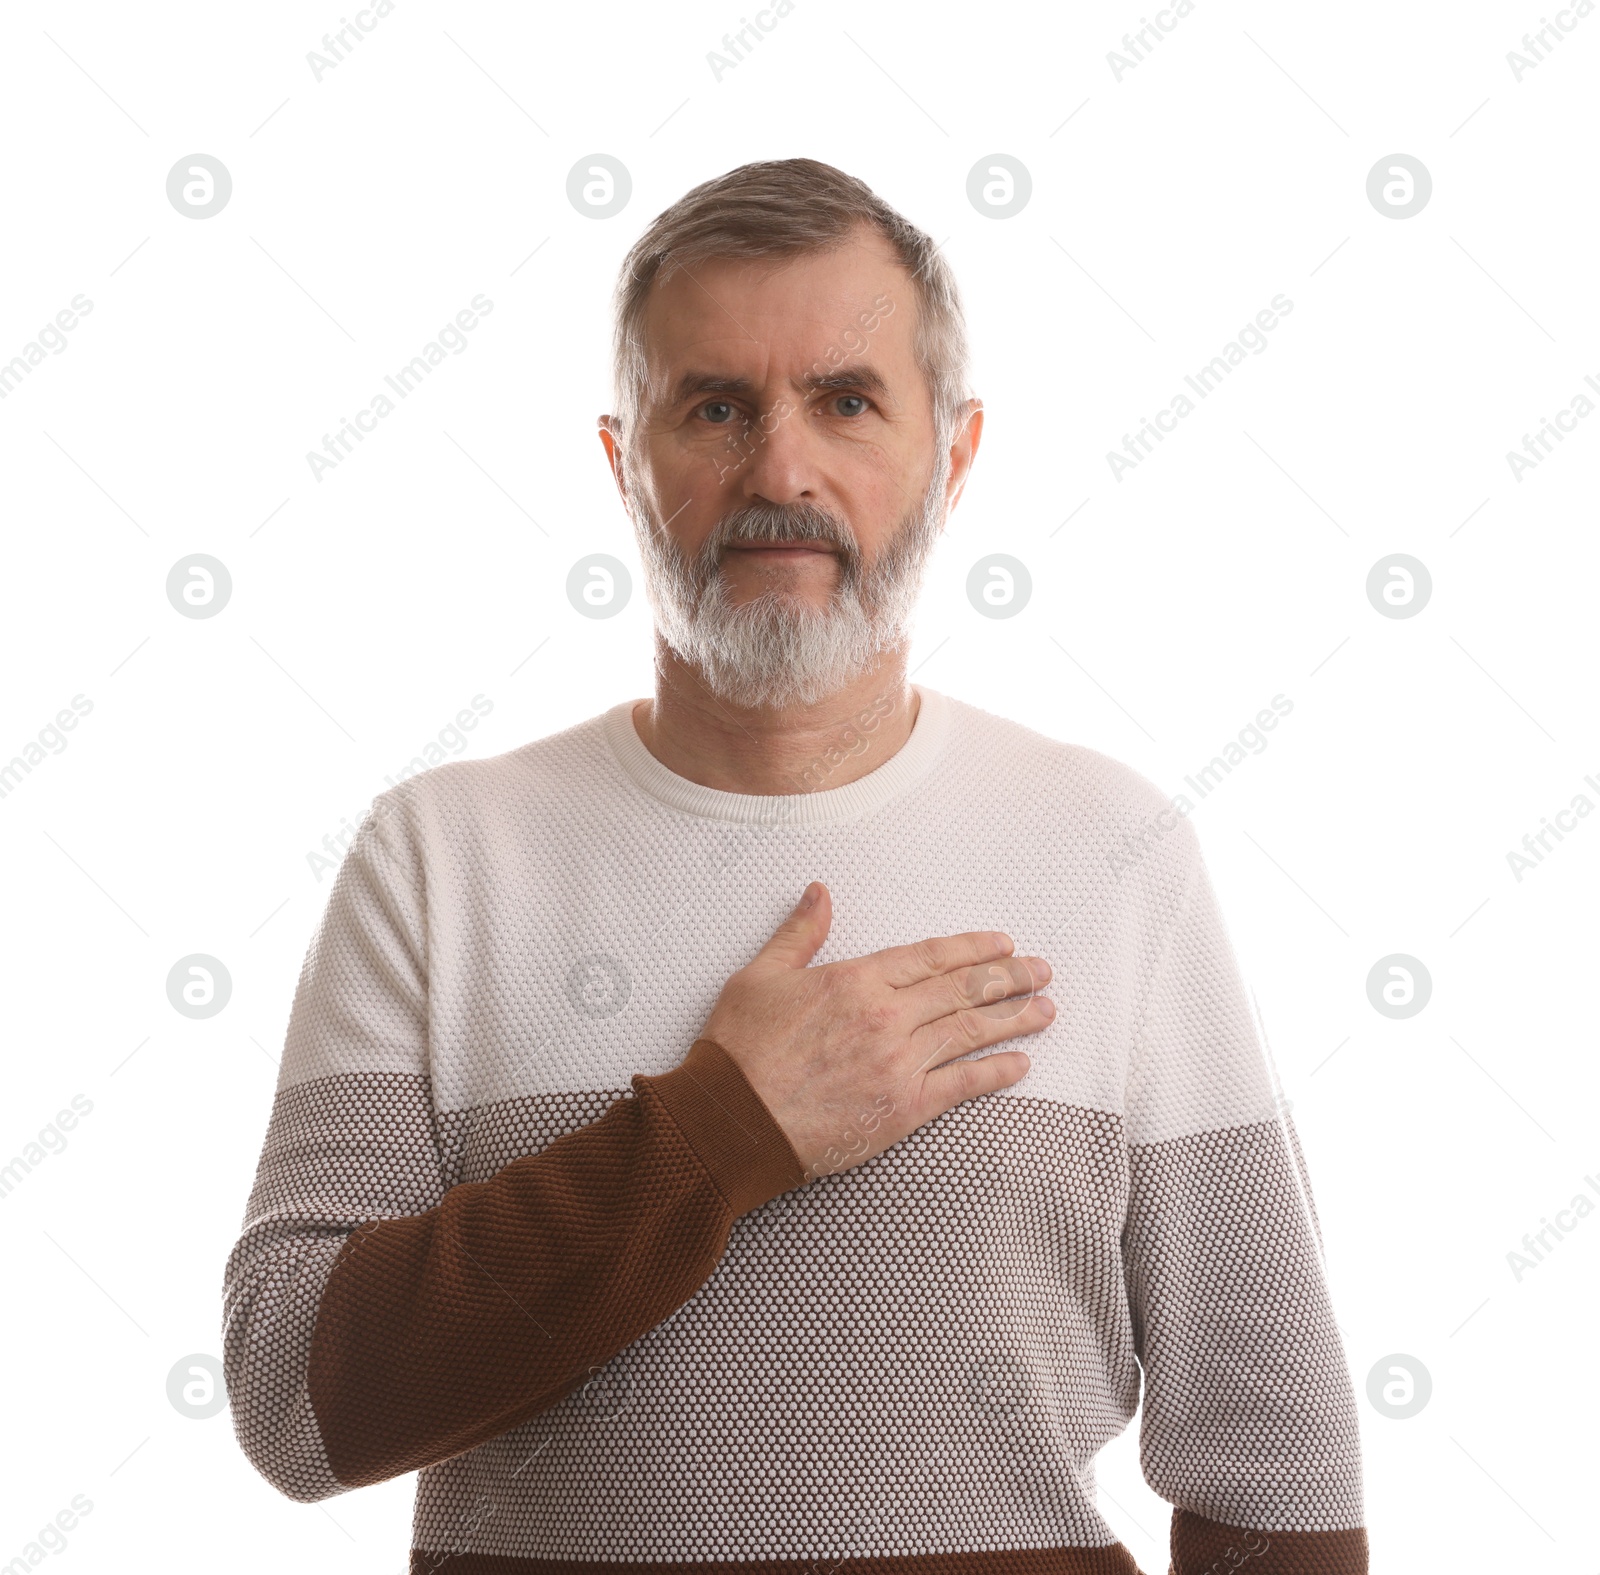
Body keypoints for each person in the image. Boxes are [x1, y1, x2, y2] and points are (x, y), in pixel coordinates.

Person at [222, 157, 1368, 1575]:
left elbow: (1275, 1451)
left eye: (845, 401)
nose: (780, 470)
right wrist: (716, 1135)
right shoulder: (442, 859)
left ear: (951, 454)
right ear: (620, 459)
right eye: (714, 406)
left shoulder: (1112, 849)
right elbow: (293, 1399)